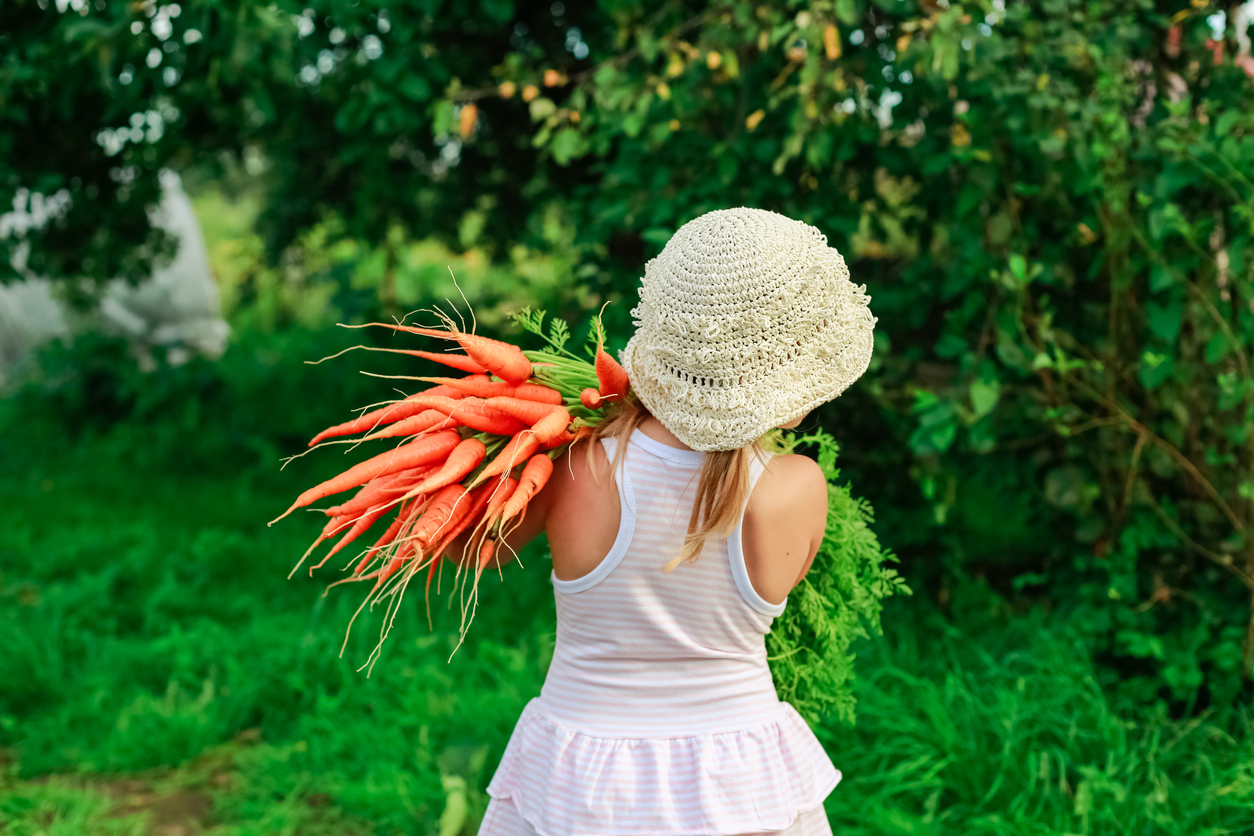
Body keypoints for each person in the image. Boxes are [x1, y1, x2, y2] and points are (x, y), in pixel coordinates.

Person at [471, 207, 876, 835]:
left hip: (581, 777)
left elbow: (474, 551)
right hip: (739, 783)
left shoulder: (574, 466)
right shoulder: (795, 488)